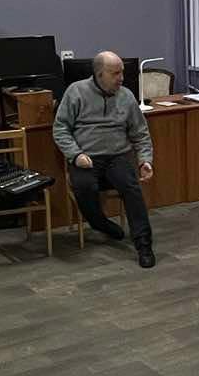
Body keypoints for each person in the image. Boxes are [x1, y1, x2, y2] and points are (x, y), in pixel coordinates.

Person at [53, 51, 156, 268]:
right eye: (115, 73)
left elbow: (140, 132)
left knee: (131, 188)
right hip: (86, 157)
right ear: (99, 74)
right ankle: (100, 223)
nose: (121, 78)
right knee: (84, 186)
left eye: (122, 72)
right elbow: (60, 129)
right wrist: (75, 154)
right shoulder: (76, 92)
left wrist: (145, 160)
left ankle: (144, 244)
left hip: (117, 156)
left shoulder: (126, 96)